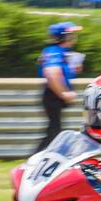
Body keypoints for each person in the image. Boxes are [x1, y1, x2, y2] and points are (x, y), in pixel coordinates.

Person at [34, 21, 81, 153]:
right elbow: (51, 73)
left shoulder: (57, 52)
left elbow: (59, 72)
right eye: (71, 35)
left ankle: (37, 159)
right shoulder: (55, 52)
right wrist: (64, 93)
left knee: (54, 131)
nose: (74, 37)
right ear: (64, 37)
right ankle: (34, 160)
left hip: (53, 95)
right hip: (52, 95)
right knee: (54, 133)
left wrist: (73, 70)